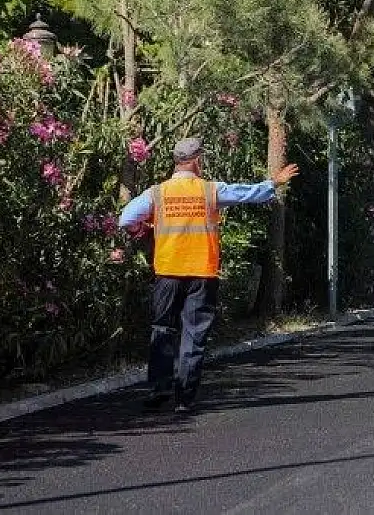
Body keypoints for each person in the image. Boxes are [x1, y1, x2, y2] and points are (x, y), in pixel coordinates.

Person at [118, 138, 300, 412]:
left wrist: (140, 230)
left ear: (176, 161)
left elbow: (125, 219)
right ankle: (185, 398)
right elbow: (245, 194)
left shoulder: (157, 193)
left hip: (167, 272)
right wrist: (273, 183)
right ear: (197, 161)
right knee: (193, 335)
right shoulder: (210, 190)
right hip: (202, 274)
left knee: (162, 330)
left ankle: (159, 388)